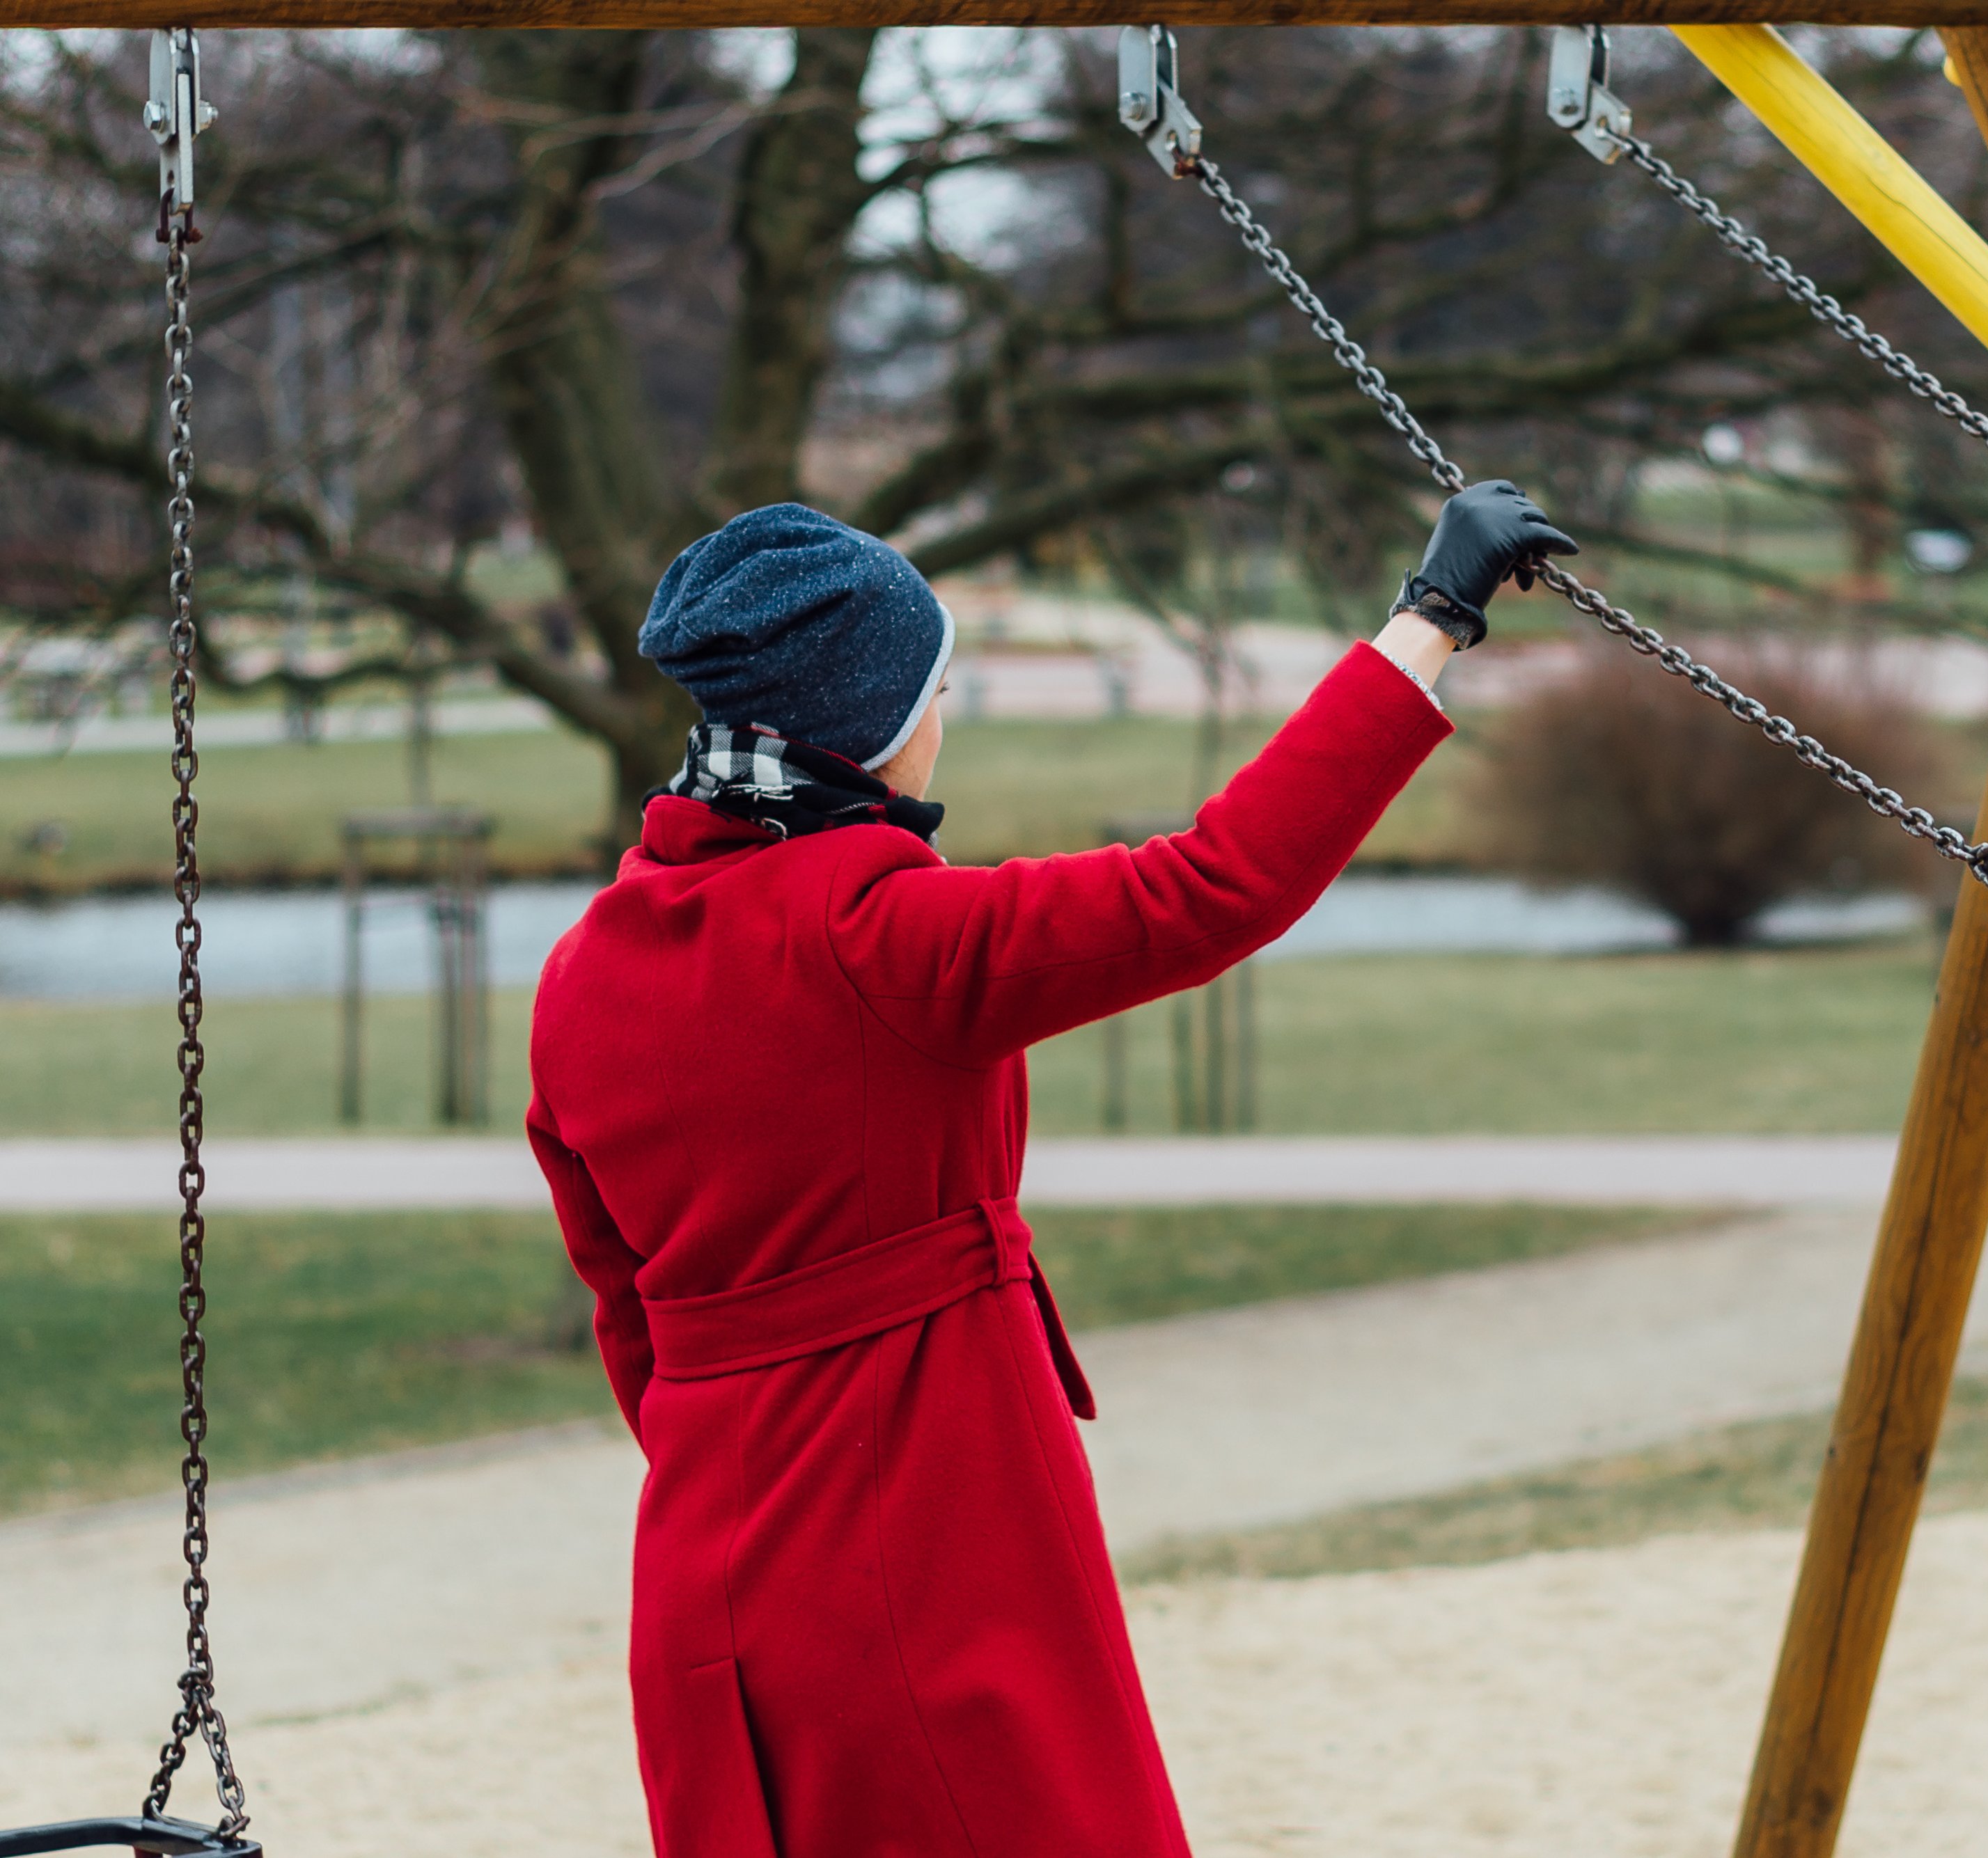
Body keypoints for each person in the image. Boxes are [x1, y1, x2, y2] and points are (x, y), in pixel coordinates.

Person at [524, 485, 1576, 1857]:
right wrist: (1431, 617)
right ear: (877, 722)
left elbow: (632, 1325)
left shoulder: (581, 972)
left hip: (702, 1587)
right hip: (921, 1556)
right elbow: (1214, 883)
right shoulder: (881, 939)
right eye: (934, 689)